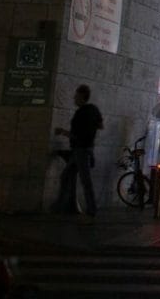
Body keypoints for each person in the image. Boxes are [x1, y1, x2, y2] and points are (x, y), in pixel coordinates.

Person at [52, 84, 102, 218]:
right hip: (85, 149)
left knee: (84, 180)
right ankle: (59, 205)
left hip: (80, 150)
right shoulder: (94, 110)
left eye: (76, 96)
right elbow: (100, 125)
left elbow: (76, 135)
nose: (74, 98)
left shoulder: (81, 113)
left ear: (81, 97)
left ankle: (91, 209)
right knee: (67, 176)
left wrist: (62, 132)